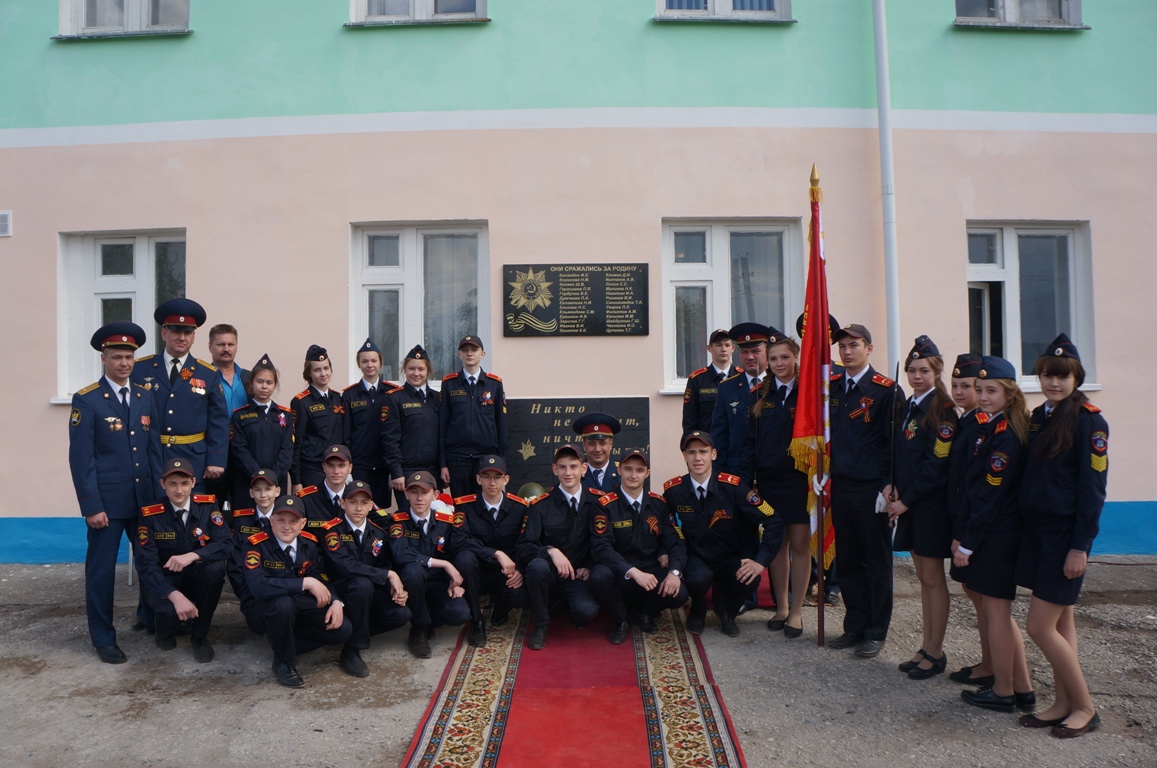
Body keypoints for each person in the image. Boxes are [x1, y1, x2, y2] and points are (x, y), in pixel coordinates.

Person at [1016, 334, 1108, 737]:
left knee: (1039, 627)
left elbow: (1093, 491)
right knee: (1061, 624)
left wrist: (1080, 547)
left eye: (1062, 376)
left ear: (1076, 378)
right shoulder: (1040, 415)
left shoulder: (1090, 421)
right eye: (1047, 376)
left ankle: (1085, 708)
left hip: (1063, 539)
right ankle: (1062, 702)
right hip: (1037, 534)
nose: (1053, 383)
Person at [68, 321, 162, 664]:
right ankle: (104, 638)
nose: (124, 363)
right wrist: (91, 506)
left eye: (129, 357)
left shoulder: (143, 396)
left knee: (151, 563)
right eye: (117, 357)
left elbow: (153, 450)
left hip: (144, 500)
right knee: (102, 573)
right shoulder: (88, 399)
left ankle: (152, 619)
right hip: (107, 505)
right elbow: (81, 459)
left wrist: (159, 497)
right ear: (104, 358)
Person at [954, 357, 1034, 714]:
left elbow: (990, 496)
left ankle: (1003, 692)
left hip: (996, 535)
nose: (983, 397)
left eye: (991, 391)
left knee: (998, 613)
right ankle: (1022, 687)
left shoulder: (1006, 435)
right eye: (981, 390)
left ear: (1010, 394)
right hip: (991, 531)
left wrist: (968, 542)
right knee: (996, 611)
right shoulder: (993, 427)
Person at [662, 431, 784, 637]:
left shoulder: (733, 487)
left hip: (729, 556)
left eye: (703, 451)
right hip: (696, 557)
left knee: (750, 576)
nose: (697, 458)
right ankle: (698, 608)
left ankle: (726, 611)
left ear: (714, 454)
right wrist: (665, 552)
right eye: (692, 452)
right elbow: (666, 525)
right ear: (684, 456)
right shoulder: (674, 490)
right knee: (697, 578)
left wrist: (760, 561)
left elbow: (773, 520)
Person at [826, 323, 900, 658]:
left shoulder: (886, 390)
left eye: (854, 345)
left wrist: (889, 484)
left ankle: (875, 630)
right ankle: (854, 625)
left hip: (872, 488)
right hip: (841, 485)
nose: (847, 351)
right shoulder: (832, 388)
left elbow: (893, 444)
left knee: (876, 562)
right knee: (848, 561)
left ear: (868, 348)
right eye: (842, 346)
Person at [885, 336, 957, 679]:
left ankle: (935, 651)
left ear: (937, 372)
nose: (916, 376)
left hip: (929, 507)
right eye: (912, 370)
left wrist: (906, 501)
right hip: (910, 503)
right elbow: (900, 453)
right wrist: (893, 485)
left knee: (932, 578)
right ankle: (926, 646)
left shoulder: (942, 410)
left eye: (923, 370)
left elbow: (935, 466)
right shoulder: (908, 405)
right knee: (923, 577)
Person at [240, 494, 353, 688]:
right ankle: (284, 664)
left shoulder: (308, 544)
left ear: (303, 524)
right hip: (263, 609)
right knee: (283, 603)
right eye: (281, 520)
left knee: (343, 629)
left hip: (297, 605)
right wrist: (304, 583)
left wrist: (335, 600)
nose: (286, 526)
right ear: (271, 520)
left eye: (293, 521)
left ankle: (283, 642)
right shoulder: (254, 545)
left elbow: (320, 578)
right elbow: (259, 587)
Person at [740, 332, 810, 639]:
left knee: (800, 545)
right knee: (777, 545)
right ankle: (781, 607)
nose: (779, 363)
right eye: (773, 359)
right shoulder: (759, 394)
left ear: (795, 358)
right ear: (767, 362)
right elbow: (749, 443)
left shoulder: (808, 395)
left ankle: (796, 611)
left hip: (799, 482)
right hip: (768, 482)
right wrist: (746, 482)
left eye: (785, 357)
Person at [135, 458, 231, 663]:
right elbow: (145, 564)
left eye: (184, 483)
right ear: (163, 485)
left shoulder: (207, 505)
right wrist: (174, 595)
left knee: (215, 571)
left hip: (196, 573)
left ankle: (200, 636)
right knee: (169, 614)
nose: (179, 490)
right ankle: (165, 629)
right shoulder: (150, 514)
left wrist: (193, 555)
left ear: (193, 483)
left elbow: (226, 544)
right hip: (164, 580)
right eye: (172, 484)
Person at [590, 450, 688, 644]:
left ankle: (646, 611)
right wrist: (632, 572)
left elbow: (675, 541)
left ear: (647, 473)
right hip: (620, 570)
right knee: (599, 575)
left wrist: (675, 572)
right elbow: (601, 547)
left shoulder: (658, 504)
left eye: (639, 470)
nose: (633, 475)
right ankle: (621, 620)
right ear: (619, 470)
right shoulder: (604, 505)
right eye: (628, 469)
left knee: (680, 594)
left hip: (649, 567)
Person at [131, 298, 230, 490]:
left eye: (188, 332)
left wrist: (216, 459)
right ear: (164, 333)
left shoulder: (208, 373)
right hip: (153, 458)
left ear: (194, 336)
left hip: (194, 461)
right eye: (176, 331)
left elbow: (219, 420)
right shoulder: (140, 370)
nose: (182, 337)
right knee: (154, 507)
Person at [320, 480, 412, 678]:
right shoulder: (332, 531)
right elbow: (346, 567)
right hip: (341, 592)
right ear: (343, 503)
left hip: (368, 591)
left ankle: (354, 629)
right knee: (362, 584)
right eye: (353, 502)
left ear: (371, 506)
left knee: (401, 614)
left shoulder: (378, 532)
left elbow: (383, 564)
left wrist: (396, 589)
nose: (358, 508)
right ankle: (352, 649)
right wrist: (388, 575)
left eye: (364, 503)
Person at [517, 444, 603, 651]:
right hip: (550, 574)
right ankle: (540, 625)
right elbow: (523, 547)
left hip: (579, 575)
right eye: (562, 467)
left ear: (584, 469)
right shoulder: (540, 505)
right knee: (537, 566)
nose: (568, 473)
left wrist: (590, 565)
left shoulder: (598, 501)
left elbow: (606, 542)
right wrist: (550, 551)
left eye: (573, 467)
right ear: (555, 469)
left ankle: (560, 603)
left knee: (585, 613)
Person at [388, 472, 478, 658]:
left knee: (460, 614)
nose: (419, 498)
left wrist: (456, 582)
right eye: (414, 492)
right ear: (406, 494)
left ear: (435, 495)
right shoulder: (398, 521)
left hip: (438, 583)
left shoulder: (445, 522)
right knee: (413, 569)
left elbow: (453, 552)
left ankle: (425, 618)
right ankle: (419, 631)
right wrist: (442, 563)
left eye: (425, 492)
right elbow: (401, 554)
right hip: (411, 584)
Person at [945, 354, 994, 687]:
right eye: (955, 385)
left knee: (987, 601)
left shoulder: (982, 425)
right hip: (962, 519)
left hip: (976, 524)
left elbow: (976, 485)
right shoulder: (966, 420)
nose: (960, 392)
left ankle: (995, 668)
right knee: (975, 594)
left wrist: (965, 533)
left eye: (968, 386)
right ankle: (988, 662)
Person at [453, 455, 530, 634]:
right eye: (486, 477)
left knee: (521, 597)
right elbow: (458, 541)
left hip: (505, 572)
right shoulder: (464, 506)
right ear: (478, 479)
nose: (492, 483)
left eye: (497, 477)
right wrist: (496, 553)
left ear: (506, 479)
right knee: (464, 557)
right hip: (477, 572)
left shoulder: (519, 508)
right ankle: (476, 620)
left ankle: (502, 607)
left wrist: (520, 569)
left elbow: (525, 542)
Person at [439, 335, 508, 499]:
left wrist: (501, 461)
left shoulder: (494, 384)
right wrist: (443, 464)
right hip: (457, 458)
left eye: (474, 350)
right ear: (459, 354)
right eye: (465, 350)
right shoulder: (449, 383)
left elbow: (502, 425)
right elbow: (442, 425)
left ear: (482, 354)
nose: (469, 353)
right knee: (461, 504)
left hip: (486, 457)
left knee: (485, 503)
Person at [227, 354, 294, 514]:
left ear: (275, 385)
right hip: (247, 482)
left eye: (269, 382)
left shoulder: (285, 415)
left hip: (276, 484)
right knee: (247, 524)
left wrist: (272, 479)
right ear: (251, 384)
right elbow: (239, 450)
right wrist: (258, 476)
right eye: (259, 381)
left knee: (276, 522)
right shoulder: (239, 415)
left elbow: (287, 450)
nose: (264, 386)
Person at [382, 345, 441, 512]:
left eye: (421, 369)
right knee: (409, 518)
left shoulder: (438, 398)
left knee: (435, 518)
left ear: (428, 371)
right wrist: (396, 472)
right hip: (407, 471)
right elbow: (389, 439)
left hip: (434, 471)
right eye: (411, 369)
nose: (416, 373)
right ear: (404, 370)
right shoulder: (395, 398)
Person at [710, 322, 771, 475]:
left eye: (755, 351)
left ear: (768, 351)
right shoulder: (726, 388)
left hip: (772, 472)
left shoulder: (778, 385)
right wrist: (720, 477)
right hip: (737, 472)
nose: (749, 357)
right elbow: (719, 437)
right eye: (744, 352)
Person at [342, 338, 395, 507]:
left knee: (381, 509)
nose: (369, 365)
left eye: (373, 360)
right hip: (360, 464)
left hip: (384, 464)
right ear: (359, 364)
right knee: (359, 506)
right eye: (364, 361)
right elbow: (346, 433)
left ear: (380, 363)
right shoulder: (350, 395)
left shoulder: (392, 392)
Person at [227, 468, 281, 623]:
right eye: (258, 490)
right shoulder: (242, 520)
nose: (263, 495)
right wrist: (247, 594)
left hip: (280, 589)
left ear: (277, 491)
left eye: (268, 489)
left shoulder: (286, 519)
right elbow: (235, 565)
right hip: (250, 592)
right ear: (251, 493)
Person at [205, 324, 247, 509]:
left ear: (236, 346)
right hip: (214, 455)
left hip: (243, 454)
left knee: (243, 509)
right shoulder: (202, 378)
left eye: (231, 344)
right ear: (210, 346)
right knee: (212, 510)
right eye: (221, 344)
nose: (226, 349)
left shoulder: (249, 378)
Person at [291, 344, 343, 491]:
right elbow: (296, 443)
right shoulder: (301, 402)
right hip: (312, 469)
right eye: (317, 370)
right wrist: (296, 480)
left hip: (336, 469)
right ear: (309, 373)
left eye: (326, 368)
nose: (323, 373)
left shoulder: (338, 398)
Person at [682, 329, 742, 433]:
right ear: (709, 348)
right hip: (707, 440)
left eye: (727, 345)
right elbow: (689, 420)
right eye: (718, 345)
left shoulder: (742, 377)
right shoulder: (697, 380)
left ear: (733, 348)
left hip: (735, 440)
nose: (723, 349)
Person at [297, 444, 355, 535]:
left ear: (350, 468)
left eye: (341, 466)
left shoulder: (357, 497)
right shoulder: (306, 499)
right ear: (323, 467)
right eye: (331, 466)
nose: (336, 471)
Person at [573, 412, 620, 493]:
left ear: (611, 444)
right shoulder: (574, 474)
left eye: (603, 443)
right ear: (584, 445)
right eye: (591, 444)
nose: (597, 449)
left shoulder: (623, 473)